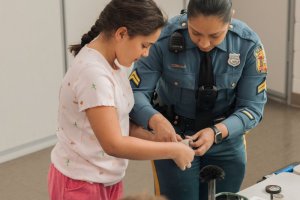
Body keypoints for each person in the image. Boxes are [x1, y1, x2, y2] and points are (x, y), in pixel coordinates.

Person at [47, 0, 195, 199]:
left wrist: (154, 137)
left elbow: (119, 124)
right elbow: (113, 144)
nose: (146, 53)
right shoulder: (94, 74)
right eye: (144, 45)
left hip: (107, 177)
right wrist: (172, 151)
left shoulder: (112, 62)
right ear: (122, 34)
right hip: (81, 182)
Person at [129, 0, 268, 200]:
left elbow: (253, 108)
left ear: (230, 20)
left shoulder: (248, 44)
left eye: (215, 36)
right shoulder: (163, 37)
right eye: (196, 33)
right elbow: (136, 93)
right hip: (174, 138)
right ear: (187, 18)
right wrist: (156, 121)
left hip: (225, 139)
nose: (204, 44)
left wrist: (216, 133)